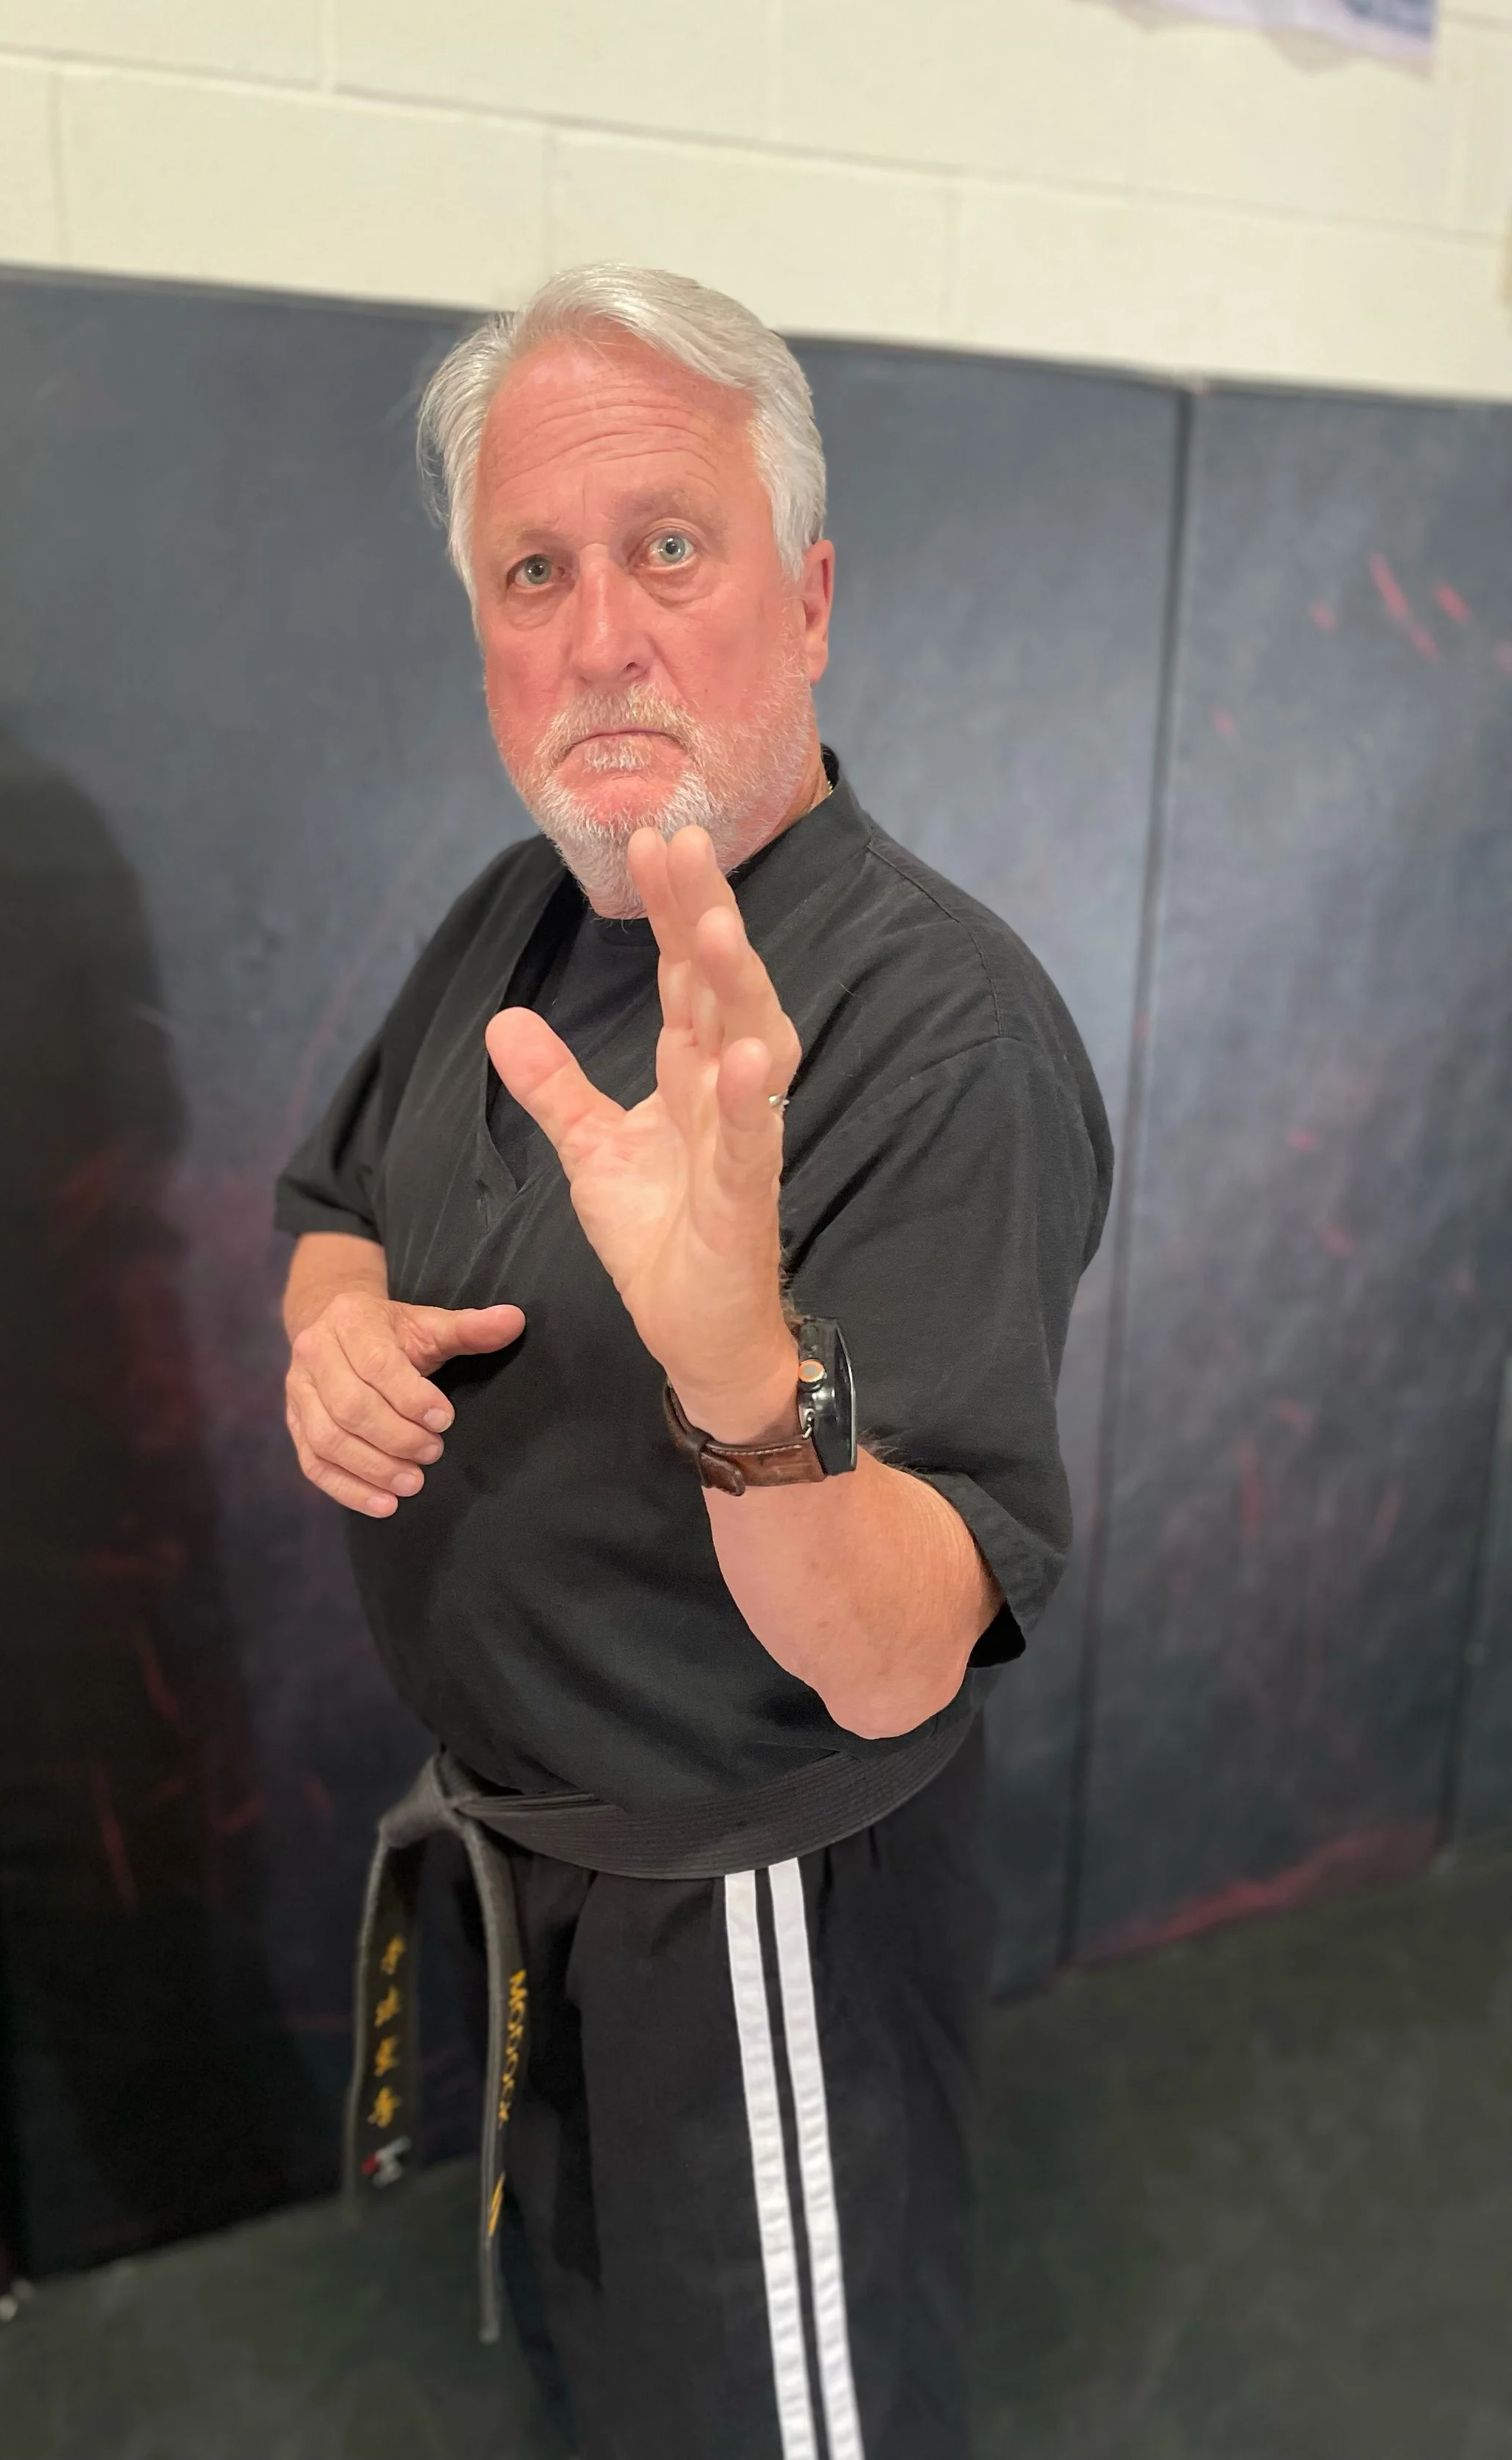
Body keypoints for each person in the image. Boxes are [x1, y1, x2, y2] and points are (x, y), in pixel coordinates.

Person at [274, 263, 1111, 2460]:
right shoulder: (518, 914)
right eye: (531, 573)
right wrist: (334, 1334)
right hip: (535, 1862)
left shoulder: (941, 1032)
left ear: (806, 599)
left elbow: (897, 1660)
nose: (598, 637)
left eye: (667, 546)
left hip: (755, 1925)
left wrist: (741, 1366)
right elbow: (327, 1203)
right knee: (615, 2385)